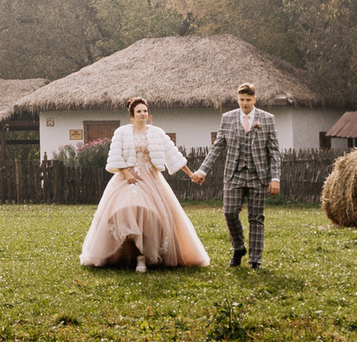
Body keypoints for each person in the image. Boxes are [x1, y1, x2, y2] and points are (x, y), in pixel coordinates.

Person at [78, 98, 211, 271]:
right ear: (132, 116)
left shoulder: (157, 133)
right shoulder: (121, 132)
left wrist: (191, 173)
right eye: (139, 111)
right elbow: (115, 157)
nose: (143, 114)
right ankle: (135, 255)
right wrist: (126, 173)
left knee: (151, 215)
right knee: (126, 210)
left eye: (145, 111)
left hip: (151, 179)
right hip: (126, 179)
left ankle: (146, 255)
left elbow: (173, 155)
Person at [213, 82, 280, 269]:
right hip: (234, 174)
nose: (244, 103)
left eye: (248, 100)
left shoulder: (267, 119)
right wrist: (202, 170)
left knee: (256, 218)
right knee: (229, 212)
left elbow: (274, 151)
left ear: (255, 99)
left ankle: (255, 261)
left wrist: (275, 178)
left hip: (259, 176)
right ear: (237, 99)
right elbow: (218, 146)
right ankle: (239, 247)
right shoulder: (227, 118)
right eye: (241, 100)